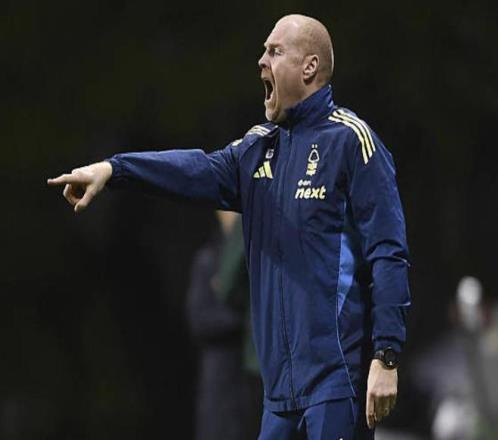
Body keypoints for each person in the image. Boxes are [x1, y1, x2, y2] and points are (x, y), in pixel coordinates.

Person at [48, 14, 411, 439]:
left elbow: (388, 252)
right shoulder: (258, 148)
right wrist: (114, 170)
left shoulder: (351, 141)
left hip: (336, 382)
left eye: (274, 51)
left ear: (309, 66)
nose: (261, 60)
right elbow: (192, 168)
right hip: (279, 395)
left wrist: (386, 356)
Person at [186, 210, 262, 440]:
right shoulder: (209, 258)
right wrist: (246, 319)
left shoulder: (255, 256)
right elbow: (200, 319)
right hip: (219, 374)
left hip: (248, 376)